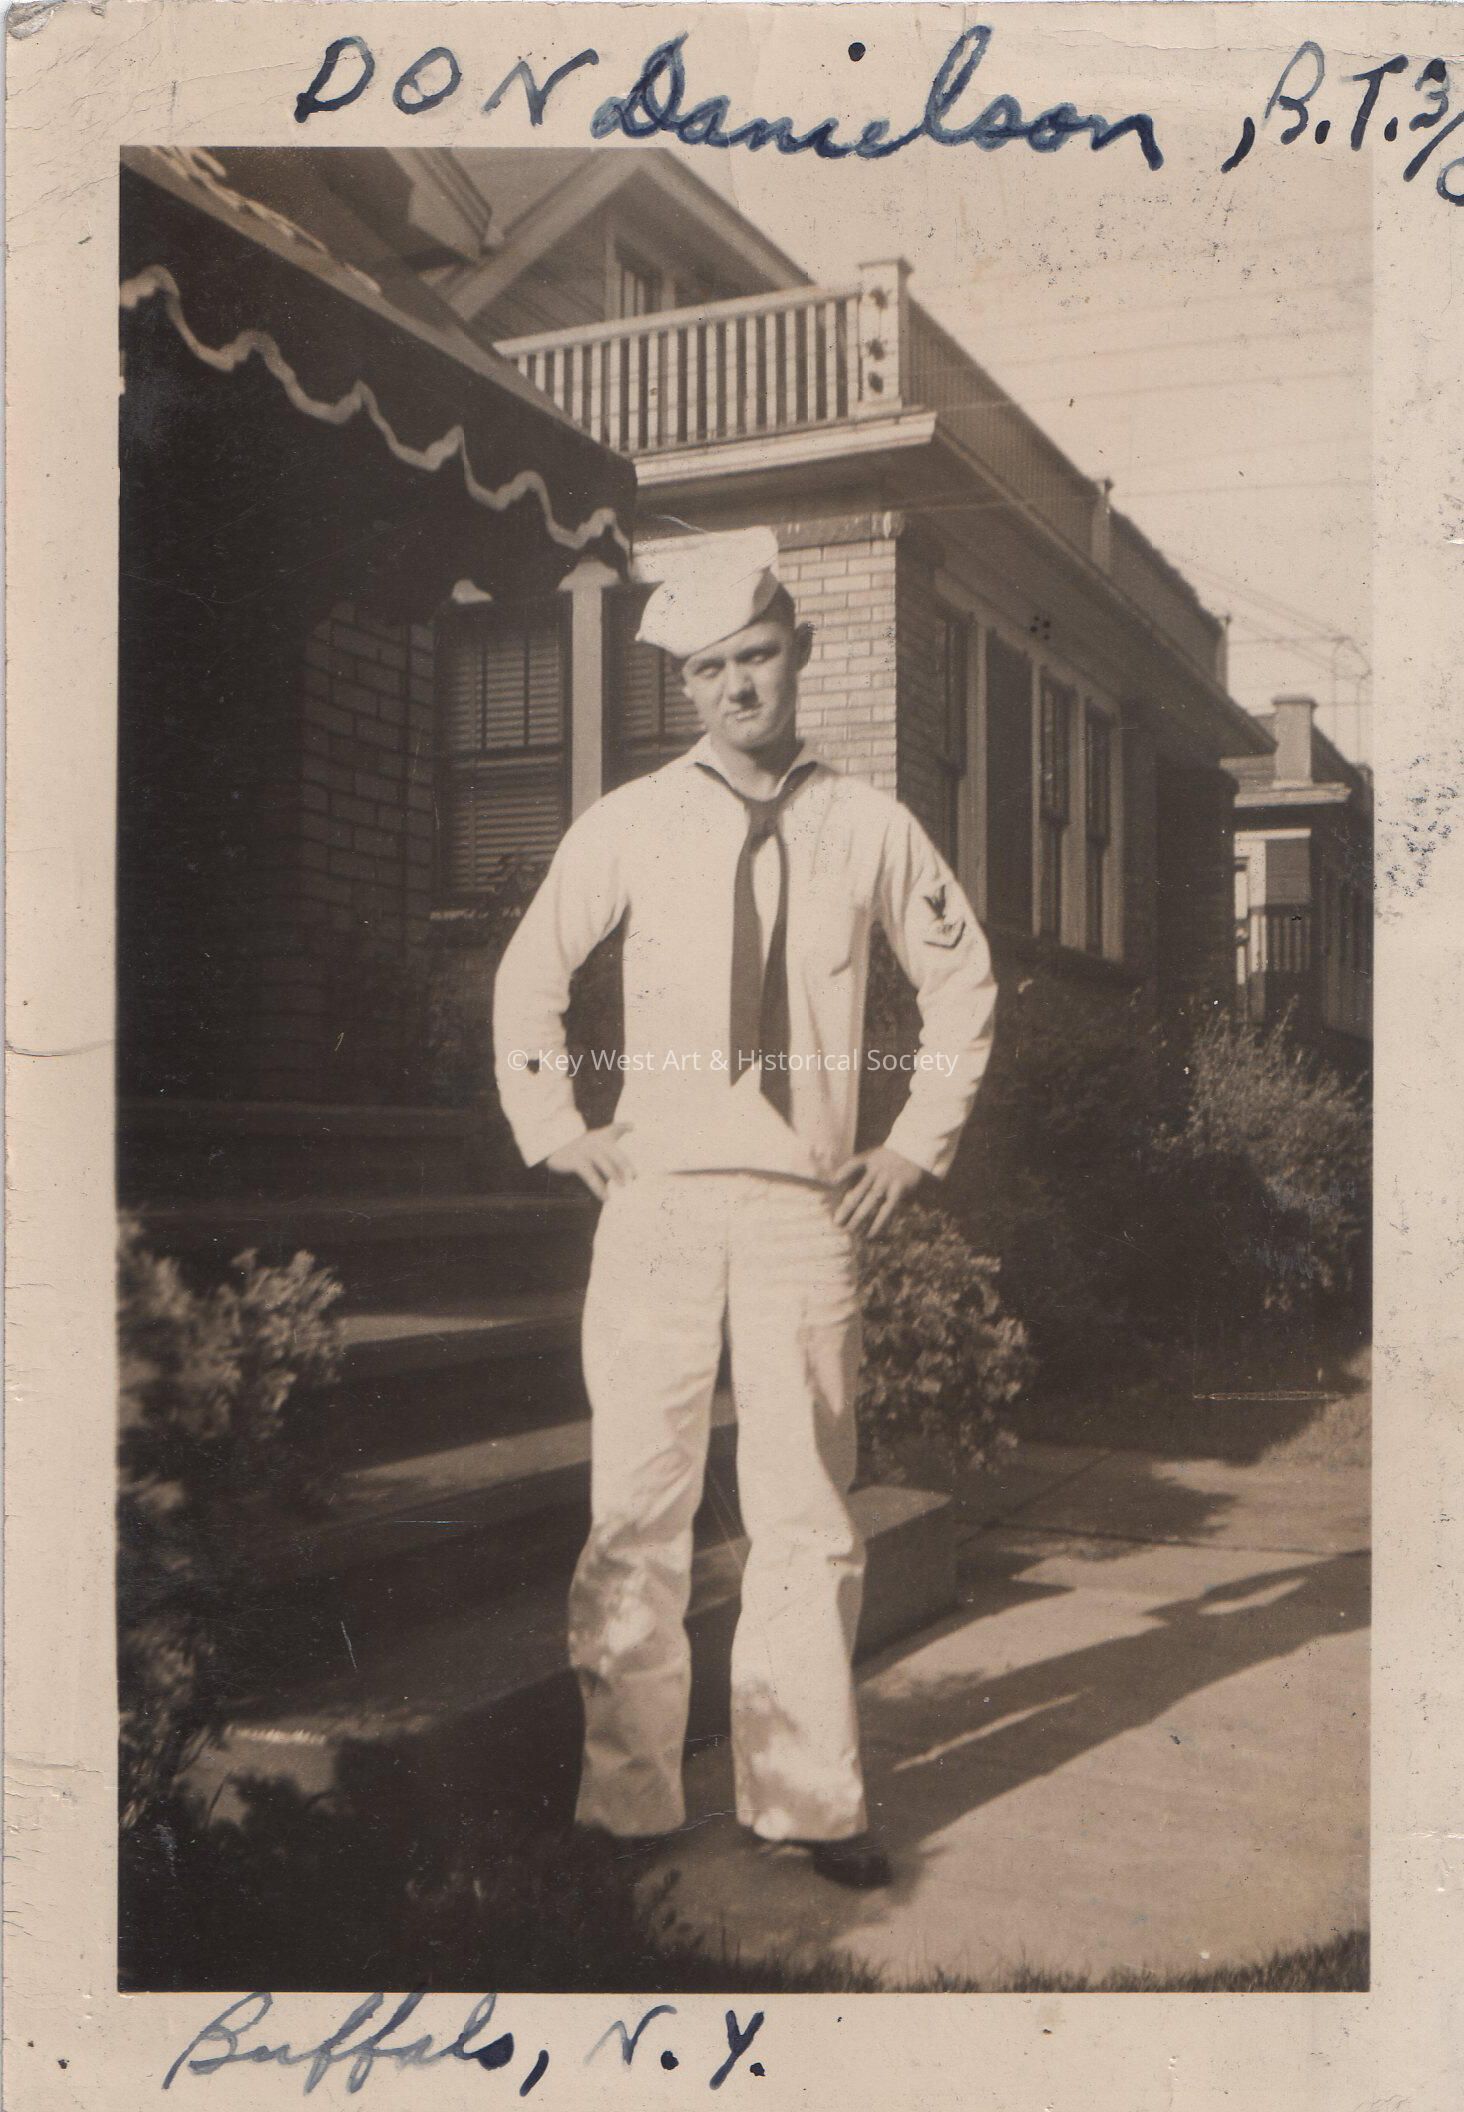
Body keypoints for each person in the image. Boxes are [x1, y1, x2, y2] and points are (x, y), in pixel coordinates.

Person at [493, 528, 997, 1888]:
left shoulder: (870, 826)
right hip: (657, 1204)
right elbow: (531, 975)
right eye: (711, 669)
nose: (739, 688)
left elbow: (964, 987)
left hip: (800, 1211)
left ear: (801, 653)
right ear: (686, 685)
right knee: (638, 1504)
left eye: (759, 657)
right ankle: (627, 1804)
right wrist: (558, 1129)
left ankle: (809, 1800)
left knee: (806, 1509)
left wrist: (913, 1147)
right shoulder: (634, 821)